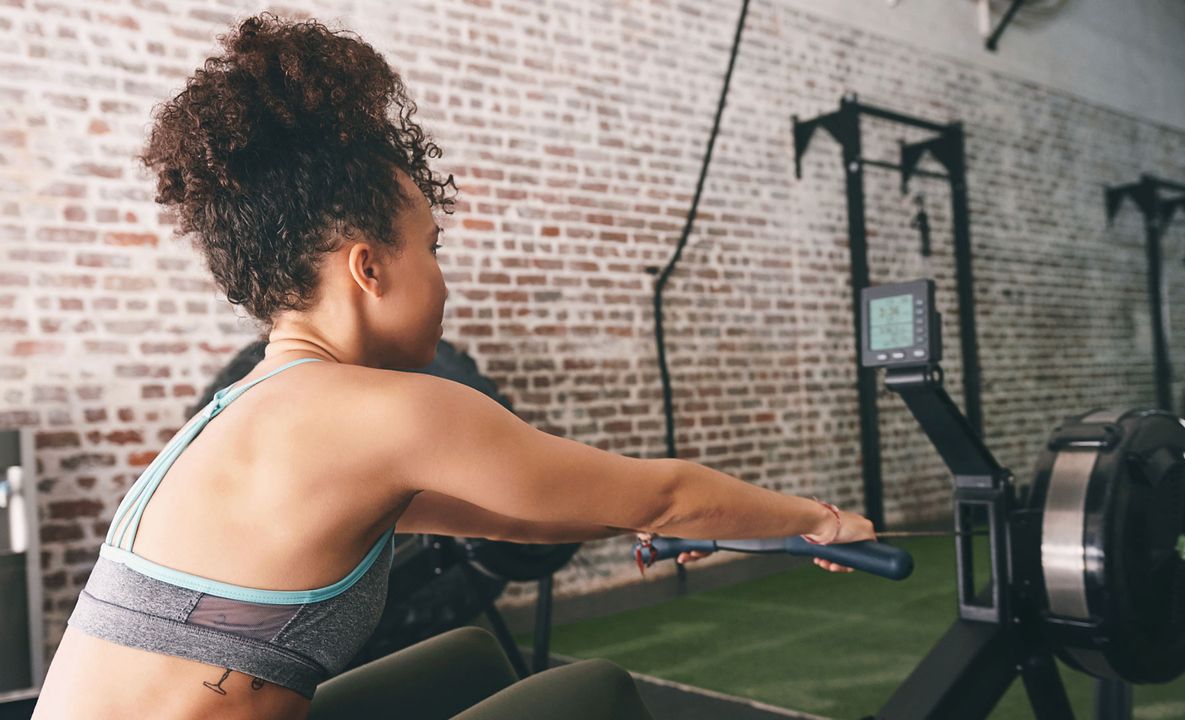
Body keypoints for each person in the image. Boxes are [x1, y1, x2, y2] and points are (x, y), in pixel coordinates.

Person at [32, 12, 875, 720]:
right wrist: (817, 518)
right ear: (369, 269)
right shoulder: (386, 411)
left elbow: (508, 514)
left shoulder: (255, 407)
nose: (442, 278)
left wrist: (639, 520)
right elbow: (662, 490)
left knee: (469, 660)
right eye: (431, 249)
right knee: (592, 693)